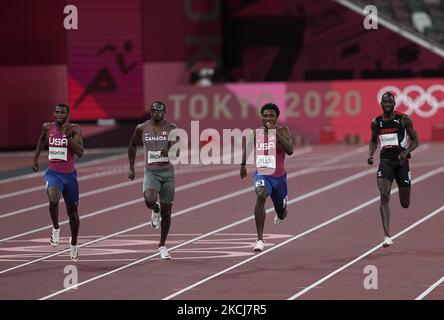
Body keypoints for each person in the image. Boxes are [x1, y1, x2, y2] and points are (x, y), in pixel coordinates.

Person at [32, 103, 84, 261]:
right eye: (57, 112)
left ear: (68, 114)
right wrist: (35, 158)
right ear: (54, 114)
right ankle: (55, 228)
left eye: (62, 112)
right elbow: (42, 140)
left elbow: (80, 153)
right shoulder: (47, 127)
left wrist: (68, 139)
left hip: (69, 177)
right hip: (53, 174)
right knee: (53, 200)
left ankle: (74, 244)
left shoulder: (74, 129)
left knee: (73, 213)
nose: (59, 114)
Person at [240, 102, 294, 252]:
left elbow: (290, 151)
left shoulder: (283, 131)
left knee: (282, 212)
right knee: (261, 195)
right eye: (265, 116)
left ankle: (280, 214)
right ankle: (259, 239)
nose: (268, 118)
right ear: (261, 117)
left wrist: (273, 133)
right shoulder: (255, 133)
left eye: (271, 116)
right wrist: (243, 165)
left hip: (280, 179)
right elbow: (248, 147)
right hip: (263, 175)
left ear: (277, 117)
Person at [368, 92, 419, 247]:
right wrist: (371, 154)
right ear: (381, 104)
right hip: (386, 162)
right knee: (384, 195)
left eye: (390, 102)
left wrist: (405, 152)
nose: (388, 105)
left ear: (394, 103)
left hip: (402, 163)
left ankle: (404, 187)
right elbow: (373, 140)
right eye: (385, 102)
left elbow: (416, 141)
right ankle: (387, 236)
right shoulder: (377, 122)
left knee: (405, 203)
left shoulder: (403, 119)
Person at [128, 101, 177, 260]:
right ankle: (154, 209)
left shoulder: (172, 128)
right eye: (154, 111)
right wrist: (132, 168)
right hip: (151, 172)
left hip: (167, 173)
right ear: (150, 113)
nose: (157, 113)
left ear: (164, 112)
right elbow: (132, 146)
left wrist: (168, 151)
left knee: (167, 213)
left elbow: (177, 152)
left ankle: (162, 245)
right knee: (149, 199)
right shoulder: (141, 128)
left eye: (160, 111)